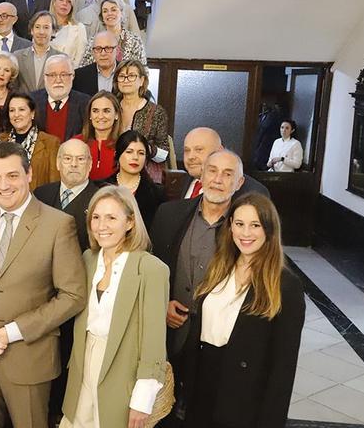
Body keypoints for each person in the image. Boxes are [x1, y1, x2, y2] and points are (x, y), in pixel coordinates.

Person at [0, 141, 86, 427]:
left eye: (12, 175)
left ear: (29, 173)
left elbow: (73, 295)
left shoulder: (58, 224)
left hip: (29, 360)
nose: (3, 185)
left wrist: (10, 332)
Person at [180, 193, 305, 428]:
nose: (245, 233)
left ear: (269, 230)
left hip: (243, 398)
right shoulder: (219, 267)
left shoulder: (285, 285)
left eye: (255, 225)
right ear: (230, 227)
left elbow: (283, 369)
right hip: (202, 386)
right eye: (239, 224)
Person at [59, 185, 169, 428]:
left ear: (130, 222)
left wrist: (142, 401)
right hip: (81, 372)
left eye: (111, 217)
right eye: (96, 217)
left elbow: (153, 344)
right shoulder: (87, 259)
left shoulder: (151, 269)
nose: (101, 226)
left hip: (123, 374)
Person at [149, 150, 246, 384]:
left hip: (219, 342)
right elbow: (150, 271)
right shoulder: (168, 215)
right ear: (202, 175)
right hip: (169, 335)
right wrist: (162, 304)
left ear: (239, 182)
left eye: (227, 174)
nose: (217, 179)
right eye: (212, 171)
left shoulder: (246, 229)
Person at [34, 139, 98, 252]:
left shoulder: (100, 200)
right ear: (58, 163)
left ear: (90, 164)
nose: (74, 164)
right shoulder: (40, 194)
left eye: (81, 159)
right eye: (68, 159)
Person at [114, 59, 169, 182]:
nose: (126, 80)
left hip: (145, 177)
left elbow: (164, 153)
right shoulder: (111, 107)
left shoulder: (156, 112)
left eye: (132, 76)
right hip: (112, 174)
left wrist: (145, 148)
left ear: (142, 80)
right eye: (122, 76)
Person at [179, 127, 270, 199]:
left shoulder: (252, 191)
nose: (190, 157)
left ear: (219, 151)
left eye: (199, 150)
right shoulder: (184, 181)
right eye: (186, 150)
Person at [102, 130, 165, 227]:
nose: (135, 157)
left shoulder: (157, 193)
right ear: (117, 154)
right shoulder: (101, 188)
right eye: (129, 152)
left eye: (141, 153)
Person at [0, 93, 60, 190]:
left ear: (32, 113)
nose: (16, 114)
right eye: (12, 110)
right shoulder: (0, 141)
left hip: (38, 201)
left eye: (21, 109)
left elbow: (55, 183)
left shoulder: (50, 143)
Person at [30, 54, 91, 142]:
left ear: (73, 76)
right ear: (44, 77)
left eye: (64, 75)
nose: (58, 80)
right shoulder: (31, 101)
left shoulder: (86, 103)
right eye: (52, 75)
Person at [74, 91, 122, 182]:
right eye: (95, 111)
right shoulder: (76, 143)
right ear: (90, 115)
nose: (100, 116)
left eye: (106, 111)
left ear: (116, 114)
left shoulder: (125, 144)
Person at [13, 11, 65, 93]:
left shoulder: (62, 59)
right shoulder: (17, 56)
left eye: (46, 27)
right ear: (31, 30)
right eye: (37, 27)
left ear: (54, 31)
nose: (41, 32)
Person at [98, 0, 145, 64]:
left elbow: (142, 68)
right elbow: (85, 68)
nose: (109, 13)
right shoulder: (94, 41)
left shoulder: (135, 41)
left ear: (122, 13)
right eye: (105, 11)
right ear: (102, 16)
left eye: (113, 10)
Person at [49, 0, 88, 67]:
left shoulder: (79, 28)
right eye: (61, 0)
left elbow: (80, 58)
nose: (64, 4)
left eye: (69, 1)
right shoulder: (44, 25)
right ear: (54, 2)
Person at [73, 31, 119, 95]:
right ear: (93, 52)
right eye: (98, 49)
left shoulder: (127, 73)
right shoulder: (79, 76)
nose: (103, 53)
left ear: (117, 50)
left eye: (108, 48)